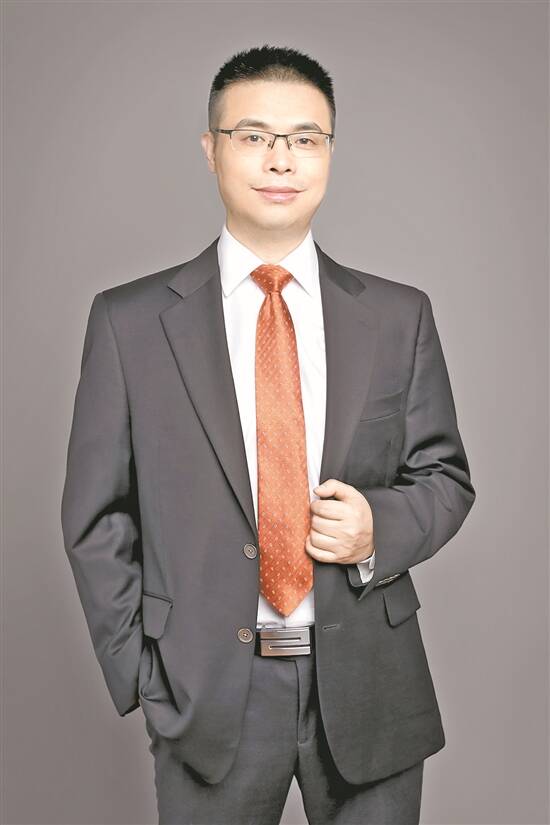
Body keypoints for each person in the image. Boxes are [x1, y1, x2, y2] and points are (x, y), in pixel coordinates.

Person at [61, 44, 476, 825]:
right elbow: (96, 516)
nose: (281, 159)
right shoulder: (129, 323)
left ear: (329, 153)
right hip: (207, 694)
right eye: (254, 135)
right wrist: (144, 673)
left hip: (371, 686)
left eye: (305, 138)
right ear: (211, 148)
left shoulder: (398, 316)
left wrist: (377, 527)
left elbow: (445, 478)